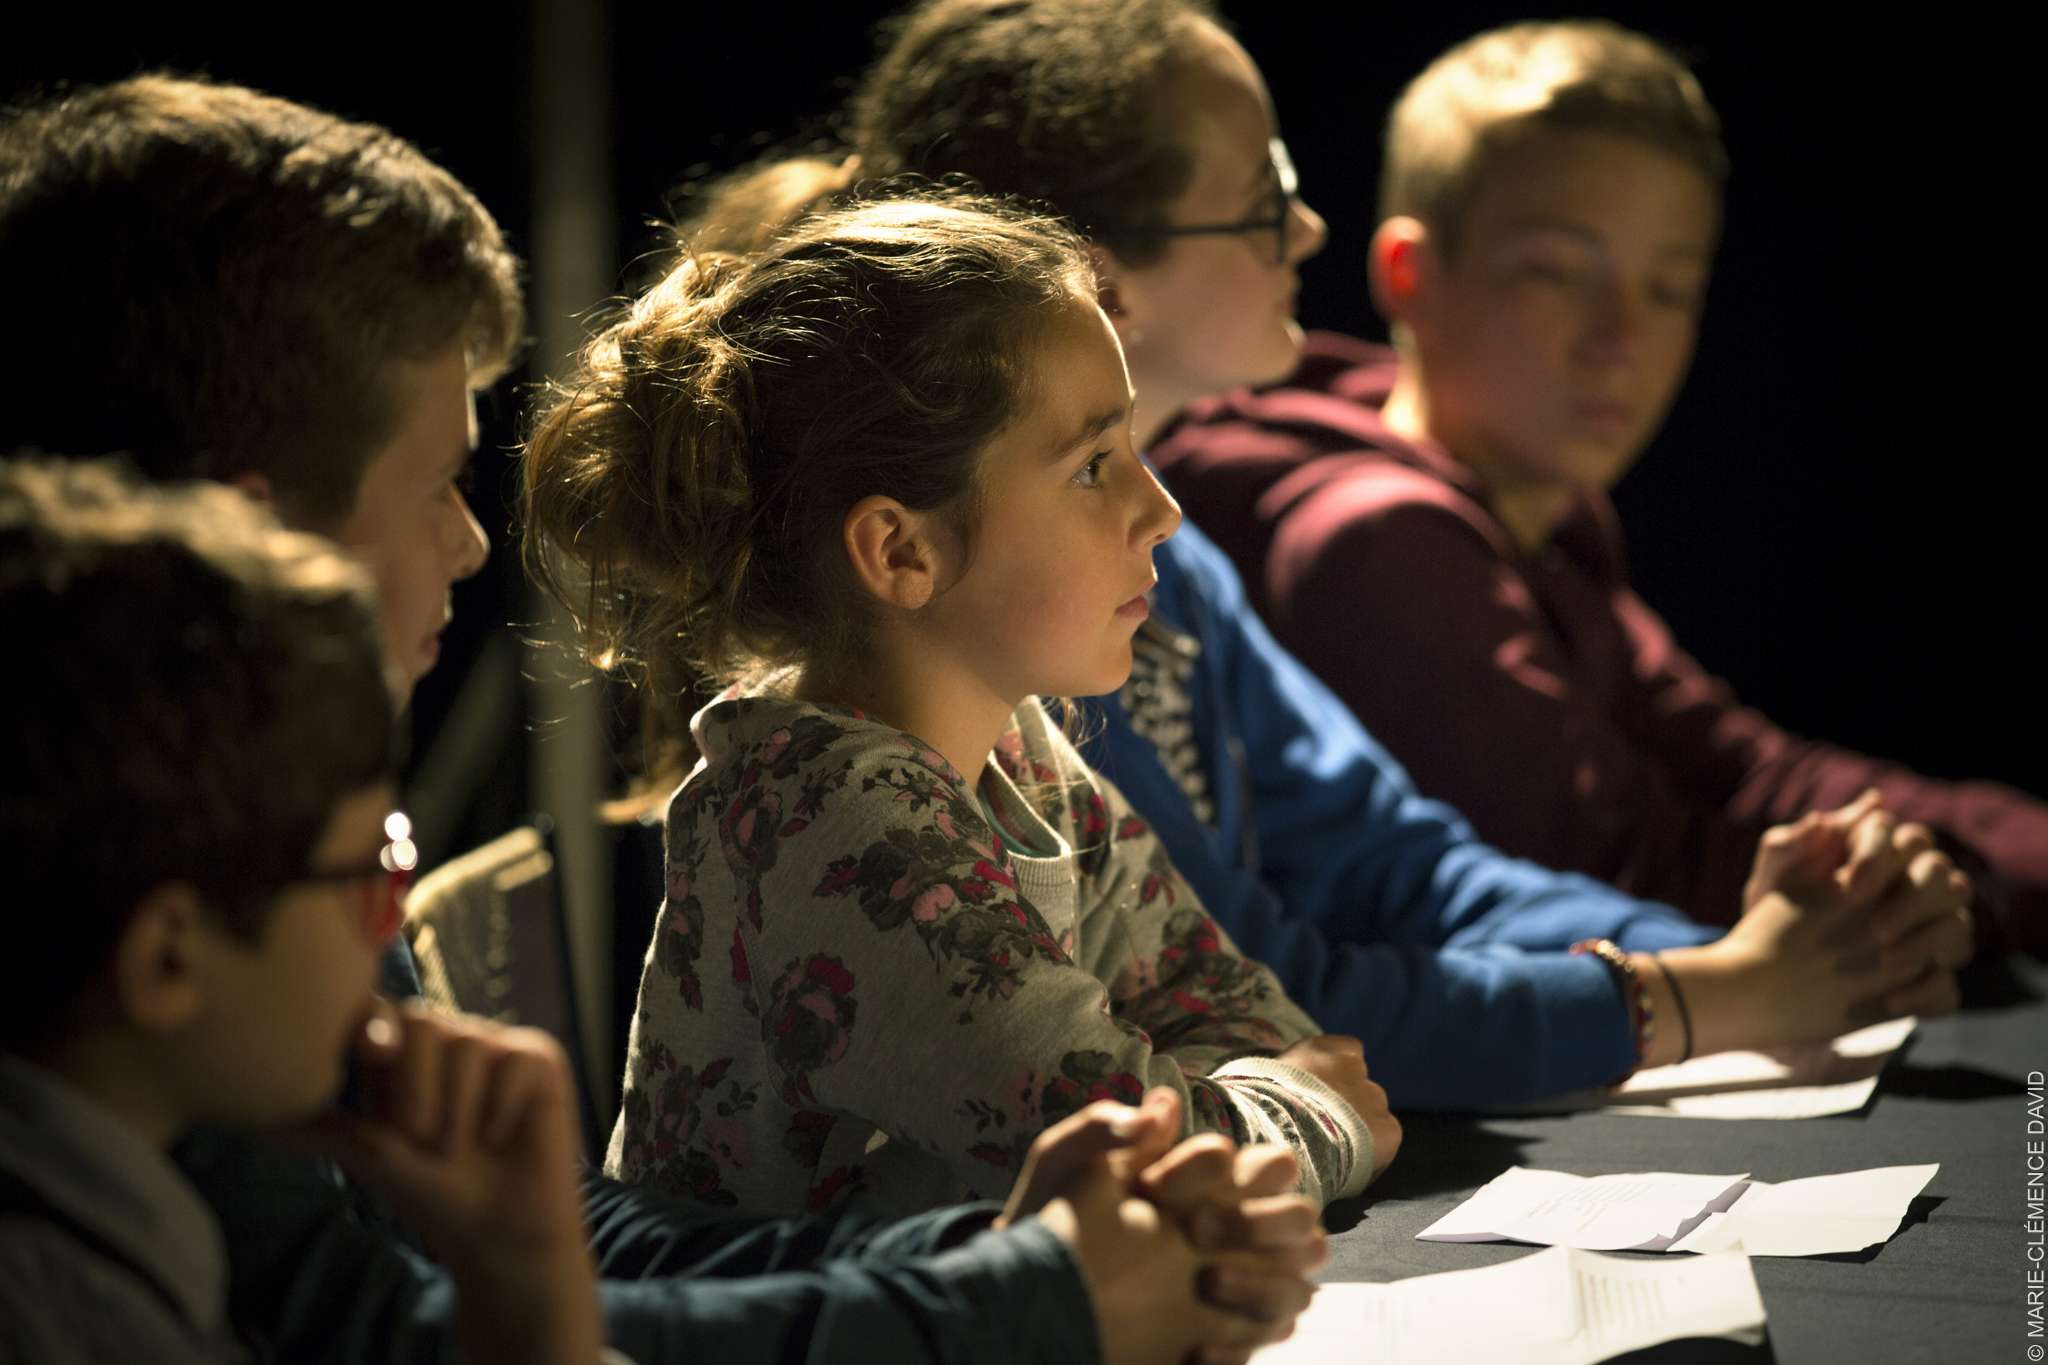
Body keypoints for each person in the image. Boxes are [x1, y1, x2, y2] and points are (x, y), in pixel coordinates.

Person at [0, 75, 1320, 1365]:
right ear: (249, 531)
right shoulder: (164, 940)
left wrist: (981, 1254)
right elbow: (386, 1328)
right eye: (441, 480)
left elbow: (562, 1250)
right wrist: (1023, 1300)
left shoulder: (253, 847)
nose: (471, 546)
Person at [669, 0, 1974, 1108]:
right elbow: (1276, 1005)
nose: (1306, 232)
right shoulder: (1004, 645)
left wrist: (1740, 960)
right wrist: (1710, 989)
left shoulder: (1170, 573)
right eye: (1261, 201)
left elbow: (1390, 863)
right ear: (1078, 266)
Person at [523, 190, 1395, 1217]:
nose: (1158, 510)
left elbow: (1240, 1014)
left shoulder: (1013, 746)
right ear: (902, 551)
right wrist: (1314, 1117)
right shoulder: (837, 831)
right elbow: (1145, 1173)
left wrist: (1234, 1093)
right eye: (1091, 466)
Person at [1146, 19, 2048, 954]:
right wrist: (1948, 896)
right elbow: (1614, 868)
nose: (1623, 339)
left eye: (1670, 288)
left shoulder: (1541, 504)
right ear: (1409, 274)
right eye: (1560, 273)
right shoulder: (1375, 542)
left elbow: (1745, 769)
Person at [0, 459, 612, 1365]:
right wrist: (532, 1294)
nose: (390, 923)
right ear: (168, 959)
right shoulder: (83, 1321)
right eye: (373, 868)